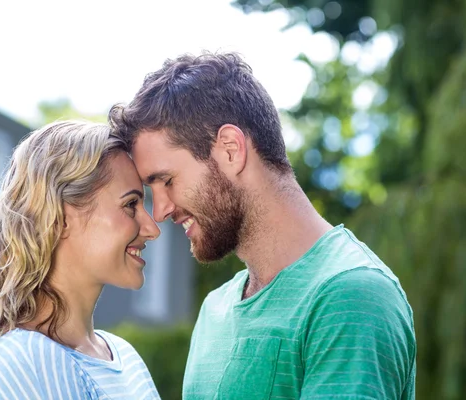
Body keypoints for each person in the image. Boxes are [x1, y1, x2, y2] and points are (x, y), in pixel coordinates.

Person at [109, 52, 417, 399]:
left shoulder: (350, 295)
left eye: (166, 180)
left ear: (230, 150)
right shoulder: (216, 308)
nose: (161, 210)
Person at [0, 121, 162, 399]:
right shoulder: (20, 359)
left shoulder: (126, 358)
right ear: (61, 217)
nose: (153, 229)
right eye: (130, 205)